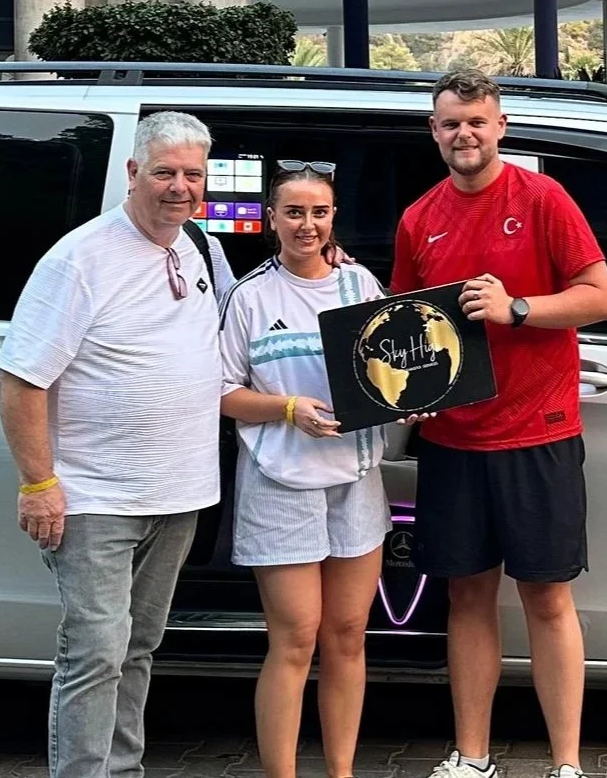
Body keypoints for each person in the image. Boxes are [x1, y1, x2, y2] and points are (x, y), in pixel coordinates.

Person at [393, 70, 607, 778]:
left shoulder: (543, 198)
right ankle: (473, 758)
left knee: (548, 596)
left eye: (477, 122)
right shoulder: (418, 217)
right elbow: (408, 329)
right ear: (434, 132)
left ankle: (567, 765)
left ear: (501, 126)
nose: (465, 134)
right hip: (454, 440)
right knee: (465, 597)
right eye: (451, 123)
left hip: (539, 433)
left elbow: (601, 298)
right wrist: (410, 391)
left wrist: (517, 307)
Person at [0, 111, 226, 778]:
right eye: (164, 172)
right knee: (96, 651)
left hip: (178, 494)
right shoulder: (80, 259)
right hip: (96, 496)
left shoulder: (199, 248)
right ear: (132, 173)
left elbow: (240, 338)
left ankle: (120, 771)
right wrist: (39, 484)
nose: (178, 187)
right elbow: (21, 380)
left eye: (191, 174)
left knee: (140, 645)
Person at [219, 164, 389, 778]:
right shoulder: (250, 296)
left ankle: (341, 771)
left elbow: (392, 368)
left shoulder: (360, 285)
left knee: (347, 635)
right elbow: (220, 392)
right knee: (294, 641)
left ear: (333, 217)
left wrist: (412, 396)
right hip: (279, 482)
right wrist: (288, 409)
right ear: (271, 220)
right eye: (294, 212)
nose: (307, 225)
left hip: (355, 479)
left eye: (319, 212)